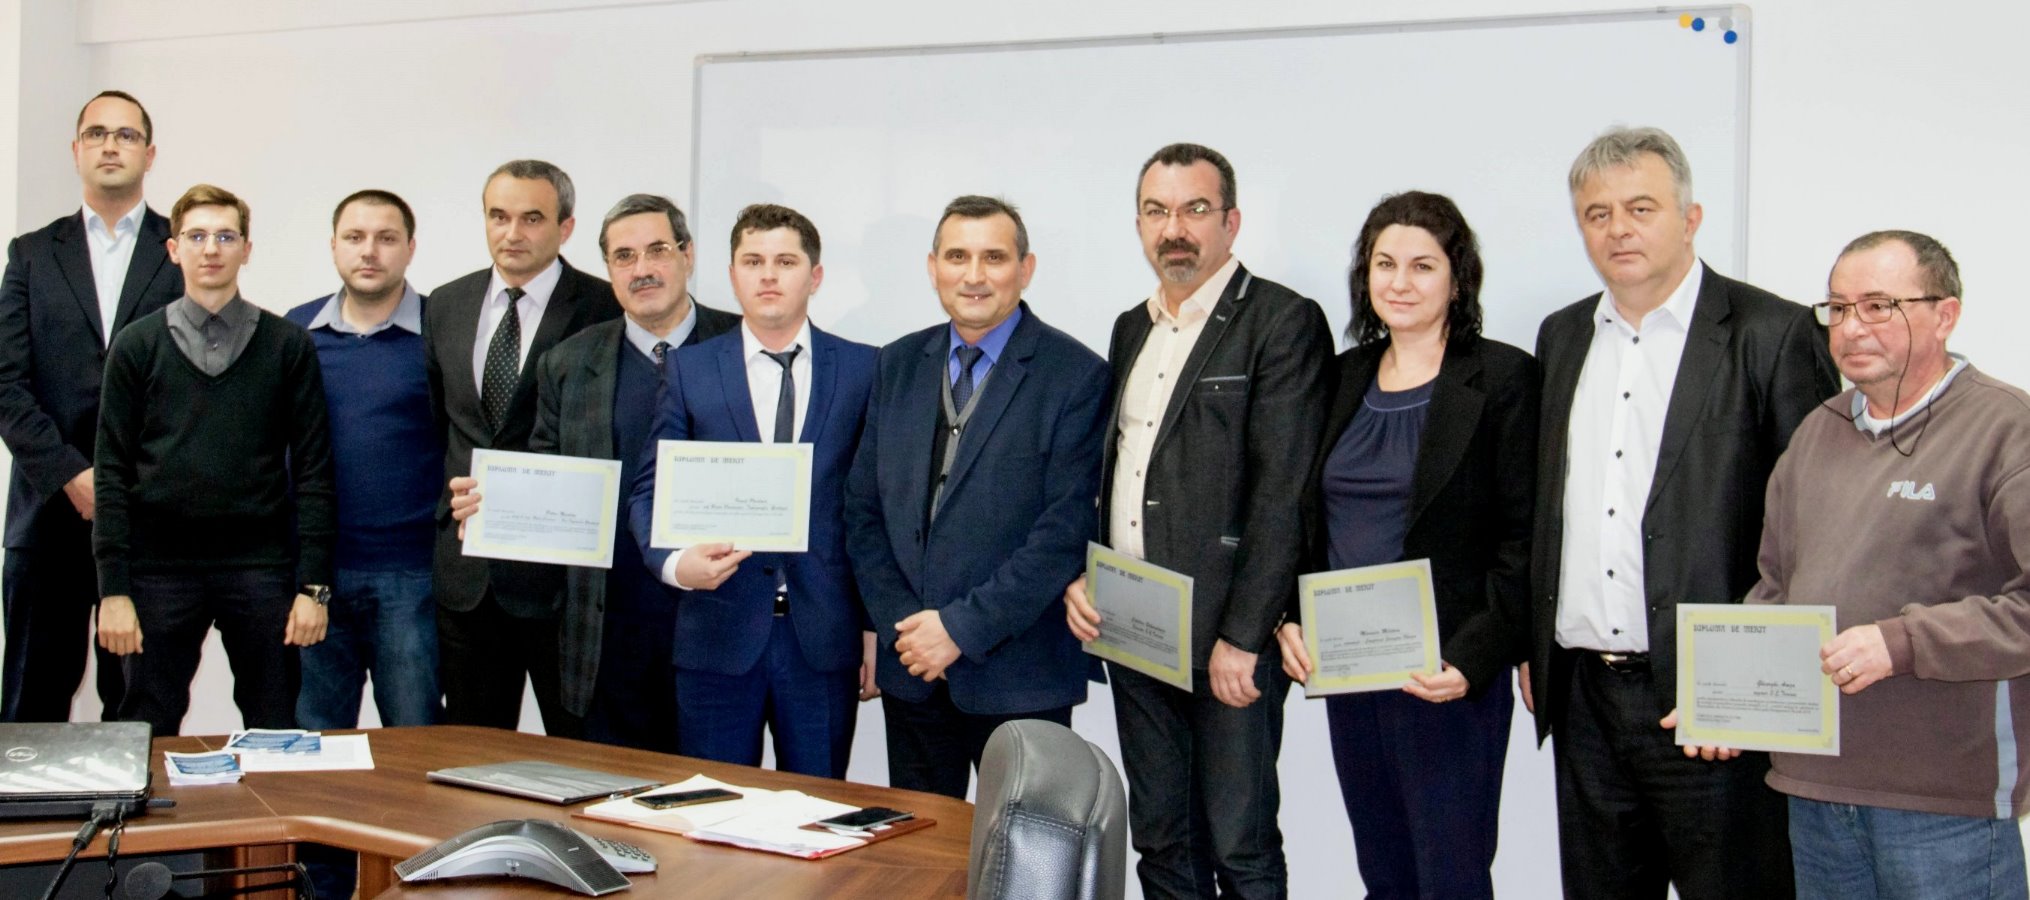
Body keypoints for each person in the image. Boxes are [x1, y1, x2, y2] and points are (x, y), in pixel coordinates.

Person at [1525, 126, 1837, 899]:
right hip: (1584, 699)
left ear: (1690, 219)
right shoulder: (1562, 336)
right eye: (1597, 214)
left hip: (1711, 706)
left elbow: (1815, 528)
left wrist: (1744, 691)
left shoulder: (1771, 333)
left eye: (1641, 208)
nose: (1618, 230)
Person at [1066, 143, 1333, 899]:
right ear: (1139, 225)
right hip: (1134, 629)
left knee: (1240, 848)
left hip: (1227, 641)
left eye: (1194, 209)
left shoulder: (1281, 321)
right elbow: (1114, 473)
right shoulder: (1131, 327)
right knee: (1162, 842)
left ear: (1231, 222)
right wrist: (1084, 575)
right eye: (1156, 211)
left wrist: (1245, 638)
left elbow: (1283, 493)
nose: (1173, 229)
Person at [1743, 231, 2030, 899]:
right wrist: (1729, 700)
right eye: (1838, 308)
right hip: (1814, 791)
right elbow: (1775, 589)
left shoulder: (2005, 428)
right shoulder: (1818, 431)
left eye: (1878, 306)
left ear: (1945, 315)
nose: (1851, 328)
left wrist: (1901, 643)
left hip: (1942, 805)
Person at [1275, 191, 1534, 899]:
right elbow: (1303, 518)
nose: (1400, 282)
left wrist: (1474, 658)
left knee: (1450, 877)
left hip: (1446, 675)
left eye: (1423, 265)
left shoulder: (1503, 379)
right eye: (1384, 264)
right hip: (1350, 669)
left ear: (1458, 278)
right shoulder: (1340, 377)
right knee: (1384, 873)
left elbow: (1523, 540)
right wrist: (1288, 617)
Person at [449, 193, 740, 751]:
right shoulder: (568, 363)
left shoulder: (740, 346)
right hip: (608, 632)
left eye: (657, 250)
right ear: (608, 269)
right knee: (612, 788)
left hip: (717, 621)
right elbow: (546, 475)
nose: (642, 268)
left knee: (713, 789)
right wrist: (493, 505)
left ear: (687, 255)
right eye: (624, 256)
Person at [847, 195, 1107, 798]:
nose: (974, 275)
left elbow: (1064, 532)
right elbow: (863, 512)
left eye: (994, 257)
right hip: (913, 670)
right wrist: (907, 631)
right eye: (957, 256)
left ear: (1026, 268)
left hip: (1020, 675)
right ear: (933, 266)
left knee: (1026, 849)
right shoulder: (897, 364)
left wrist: (958, 630)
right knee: (920, 849)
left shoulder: (1076, 374)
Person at [618, 203, 875, 776]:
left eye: (786, 261)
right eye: (753, 261)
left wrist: (873, 627)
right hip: (716, 632)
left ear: (815, 275)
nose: (768, 275)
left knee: (817, 812)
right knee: (711, 810)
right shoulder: (689, 370)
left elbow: (876, 510)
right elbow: (648, 491)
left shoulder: (864, 370)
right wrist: (676, 565)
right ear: (732, 275)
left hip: (823, 640)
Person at [93, 184, 335, 737]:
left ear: (247, 249)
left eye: (226, 237)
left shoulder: (287, 345)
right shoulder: (136, 345)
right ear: (173, 249)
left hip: (260, 569)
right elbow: (110, 475)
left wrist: (314, 588)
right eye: (197, 236)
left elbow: (315, 473)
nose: (211, 249)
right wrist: (113, 590)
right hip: (158, 572)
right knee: (143, 730)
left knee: (276, 727)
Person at [0, 90, 181, 722]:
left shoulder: (182, 249)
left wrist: (125, 482)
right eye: (97, 134)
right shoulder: (30, 253)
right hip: (46, 515)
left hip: (146, 520)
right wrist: (71, 474)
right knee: (30, 709)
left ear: (149, 154)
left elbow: (195, 389)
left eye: (126, 135)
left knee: (137, 711)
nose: (111, 145)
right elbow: (6, 383)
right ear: (76, 150)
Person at [424, 160, 618, 735]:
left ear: (566, 227)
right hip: (468, 575)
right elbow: (444, 424)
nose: (512, 233)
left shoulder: (605, 306)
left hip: (562, 583)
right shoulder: (446, 303)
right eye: (499, 216)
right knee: (472, 754)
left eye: (532, 218)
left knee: (579, 754)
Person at [285, 190, 442, 732]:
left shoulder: (443, 330)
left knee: (415, 738)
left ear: (411, 248)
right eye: (355, 237)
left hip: (412, 576)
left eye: (386, 238)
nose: (369, 251)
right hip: (317, 576)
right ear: (334, 246)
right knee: (314, 740)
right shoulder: (297, 331)